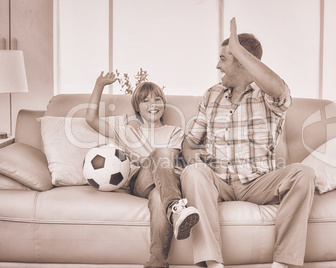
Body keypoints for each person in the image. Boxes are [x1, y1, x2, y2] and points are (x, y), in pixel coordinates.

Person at [180, 18, 315, 268]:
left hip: (257, 182)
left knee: (303, 173)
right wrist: (190, 155)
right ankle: (212, 263)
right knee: (193, 172)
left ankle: (283, 263)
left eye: (223, 59)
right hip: (218, 180)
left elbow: (279, 89)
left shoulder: (267, 95)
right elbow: (189, 142)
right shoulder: (211, 95)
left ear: (242, 61)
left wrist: (239, 50)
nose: (217, 66)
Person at [86, 72, 200, 268]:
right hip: (141, 182)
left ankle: (157, 261)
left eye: (157, 99)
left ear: (163, 104)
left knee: (158, 196)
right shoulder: (128, 132)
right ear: (137, 107)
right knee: (160, 154)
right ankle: (178, 209)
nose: (152, 104)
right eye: (145, 101)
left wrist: (153, 157)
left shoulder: (175, 131)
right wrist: (99, 85)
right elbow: (91, 119)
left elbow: (169, 162)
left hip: (166, 185)